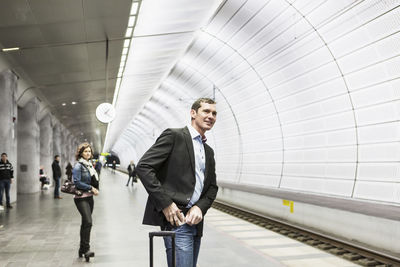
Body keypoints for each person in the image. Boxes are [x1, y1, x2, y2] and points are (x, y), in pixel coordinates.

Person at [136, 98, 218, 267]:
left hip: (196, 222)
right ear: (193, 113)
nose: (211, 116)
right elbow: (144, 167)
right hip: (176, 220)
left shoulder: (208, 151)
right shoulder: (174, 136)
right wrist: (166, 203)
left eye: (214, 113)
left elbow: (212, 188)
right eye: (206, 111)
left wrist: (199, 207)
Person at [73, 142, 99, 260]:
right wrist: (91, 188)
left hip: (89, 198)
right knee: (88, 221)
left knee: (85, 223)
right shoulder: (78, 166)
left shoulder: (89, 165)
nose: (88, 153)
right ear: (81, 153)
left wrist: (94, 188)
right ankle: (86, 249)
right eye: (85, 151)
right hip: (81, 198)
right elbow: (77, 182)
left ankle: (81, 249)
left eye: (89, 151)